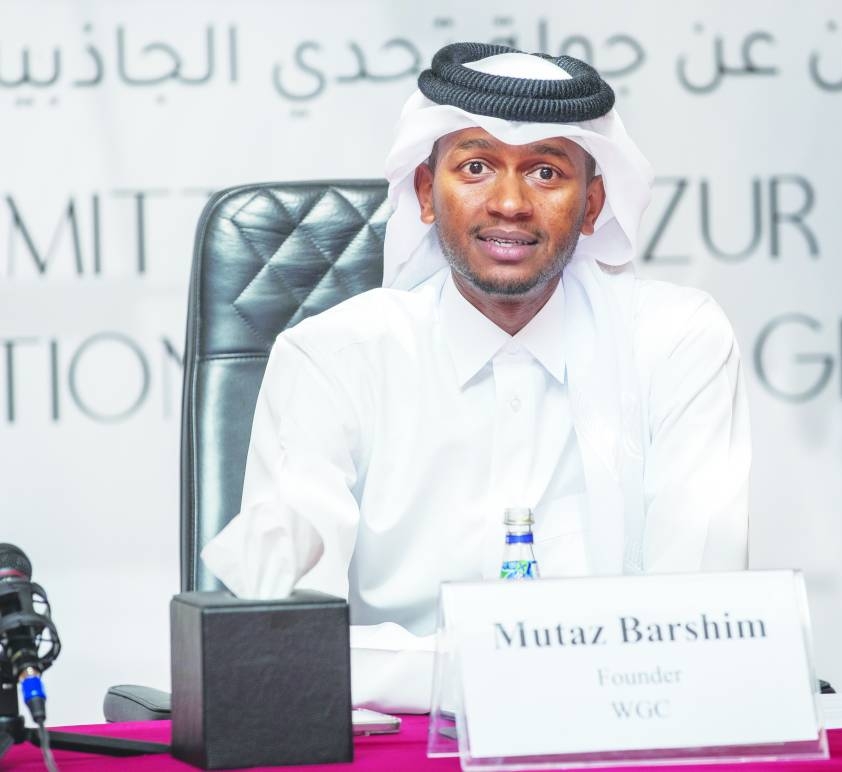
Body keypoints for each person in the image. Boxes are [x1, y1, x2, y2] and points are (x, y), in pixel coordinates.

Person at [202, 42, 751, 712]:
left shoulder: (676, 342)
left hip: (622, 734)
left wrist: (435, 669)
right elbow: (279, 634)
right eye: (476, 166)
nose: (511, 202)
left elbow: (701, 620)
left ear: (592, 204)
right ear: (428, 193)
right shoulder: (335, 357)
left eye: (547, 172)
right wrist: (525, 671)